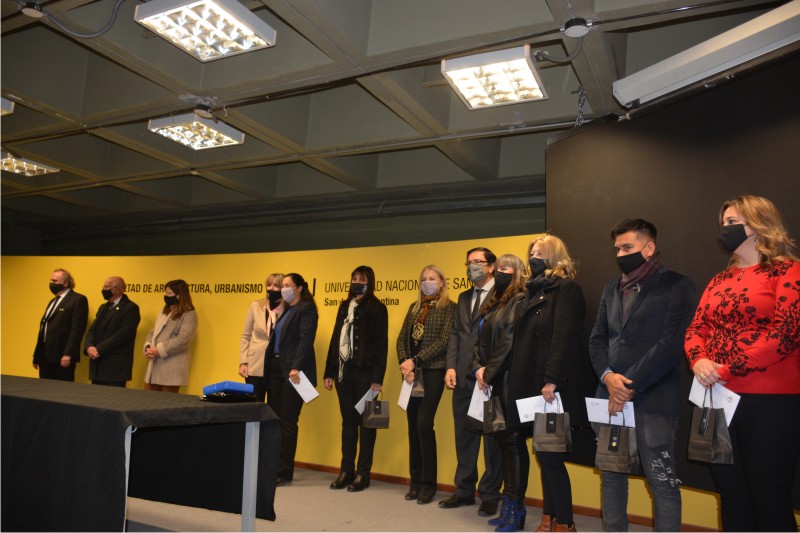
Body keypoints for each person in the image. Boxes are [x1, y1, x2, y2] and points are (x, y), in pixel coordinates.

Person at [684, 195, 800, 532]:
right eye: (724, 223)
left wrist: (726, 369)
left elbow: (785, 334)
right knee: (731, 495)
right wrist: (698, 360)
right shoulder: (720, 280)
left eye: (733, 222)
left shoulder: (789, 272)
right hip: (717, 400)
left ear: (759, 223)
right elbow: (696, 329)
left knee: (769, 499)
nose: (725, 228)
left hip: (770, 402)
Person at [589, 219, 696, 532]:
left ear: (649, 248)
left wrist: (627, 385)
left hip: (654, 400)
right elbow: (597, 338)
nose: (620, 254)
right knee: (612, 478)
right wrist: (608, 377)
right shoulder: (612, 287)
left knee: (662, 482)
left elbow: (671, 344)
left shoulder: (678, 285)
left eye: (628, 247)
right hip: (610, 398)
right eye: (617, 249)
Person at [504, 235, 586, 532]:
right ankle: (549, 516)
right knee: (544, 452)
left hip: (551, 387)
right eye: (532, 252)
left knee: (551, 456)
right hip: (530, 385)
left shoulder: (566, 289)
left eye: (540, 253)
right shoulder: (530, 292)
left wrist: (552, 379)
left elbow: (565, 337)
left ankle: (565, 520)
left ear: (555, 256)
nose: (533, 257)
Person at [440, 246, 503, 516]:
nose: (472, 267)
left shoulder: (504, 295)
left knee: (492, 440)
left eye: (478, 262)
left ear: (491, 266)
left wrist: (489, 370)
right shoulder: (464, 297)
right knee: (464, 436)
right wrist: (450, 367)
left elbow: (505, 338)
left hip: (488, 379)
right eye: (469, 262)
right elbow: (456, 334)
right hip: (463, 378)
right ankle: (464, 490)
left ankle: (490, 494)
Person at [469, 254, 527, 532]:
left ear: (517, 272)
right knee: (503, 443)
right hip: (490, 381)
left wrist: (488, 372)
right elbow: (478, 340)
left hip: (508, 382)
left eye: (506, 268)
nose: (500, 272)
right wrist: (477, 368)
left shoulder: (520, 299)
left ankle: (516, 508)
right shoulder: (495, 300)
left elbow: (509, 341)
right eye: (499, 268)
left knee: (513, 444)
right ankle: (508, 505)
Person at [323, 266, 388, 492]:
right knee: (348, 422)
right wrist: (329, 371)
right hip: (344, 372)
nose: (357, 282)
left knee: (367, 423)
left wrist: (377, 378)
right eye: (354, 278)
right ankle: (346, 470)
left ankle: (363, 473)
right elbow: (335, 339)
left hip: (366, 374)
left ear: (370, 282)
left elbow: (381, 344)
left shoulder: (378, 308)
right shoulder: (344, 306)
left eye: (362, 279)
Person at [397, 265, 457, 504]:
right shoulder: (414, 307)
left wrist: (416, 361)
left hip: (432, 371)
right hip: (411, 374)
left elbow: (444, 341)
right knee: (412, 425)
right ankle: (415, 481)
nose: (427, 282)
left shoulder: (449, 308)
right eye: (423, 279)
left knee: (424, 424)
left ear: (442, 282)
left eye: (432, 278)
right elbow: (402, 338)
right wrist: (405, 363)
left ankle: (428, 485)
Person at [266, 272, 318, 486]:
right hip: (276, 369)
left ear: (299, 288)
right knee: (276, 419)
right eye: (283, 285)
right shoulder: (286, 309)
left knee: (288, 421)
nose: (283, 289)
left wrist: (296, 367)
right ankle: (274, 467)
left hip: (293, 372)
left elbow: (305, 340)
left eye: (288, 285)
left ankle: (284, 472)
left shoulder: (306, 309)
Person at [84, 276, 141, 387]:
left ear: (118, 289)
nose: (103, 289)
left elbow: (123, 335)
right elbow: (92, 330)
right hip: (97, 364)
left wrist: (98, 349)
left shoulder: (130, 308)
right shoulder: (103, 307)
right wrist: (89, 346)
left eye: (106, 287)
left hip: (115, 366)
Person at [33, 268, 89, 381]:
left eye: (55, 281)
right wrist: (37, 355)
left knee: (62, 389)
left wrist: (68, 354)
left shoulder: (78, 300)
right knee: (44, 388)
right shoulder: (52, 301)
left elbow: (77, 330)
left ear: (66, 283)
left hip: (62, 356)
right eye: (51, 281)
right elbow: (44, 328)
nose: (51, 284)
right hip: (45, 356)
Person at [143, 279, 198, 393]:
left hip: (172, 367)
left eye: (169, 293)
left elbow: (184, 339)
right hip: (154, 365)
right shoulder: (164, 311)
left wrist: (159, 349)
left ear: (179, 295)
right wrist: (148, 347)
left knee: (166, 401)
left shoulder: (189, 313)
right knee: (146, 399)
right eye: (165, 293)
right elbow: (153, 332)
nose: (166, 296)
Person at [240, 273, 284, 402]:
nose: (271, 288)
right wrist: (243, 362)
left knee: (274, 407)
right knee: (253, 405)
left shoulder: (288, 309)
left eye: (276, 285)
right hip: (255, 365)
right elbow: (246, 336)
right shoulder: (256, 306)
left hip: (276, 367)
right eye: (269, 285)